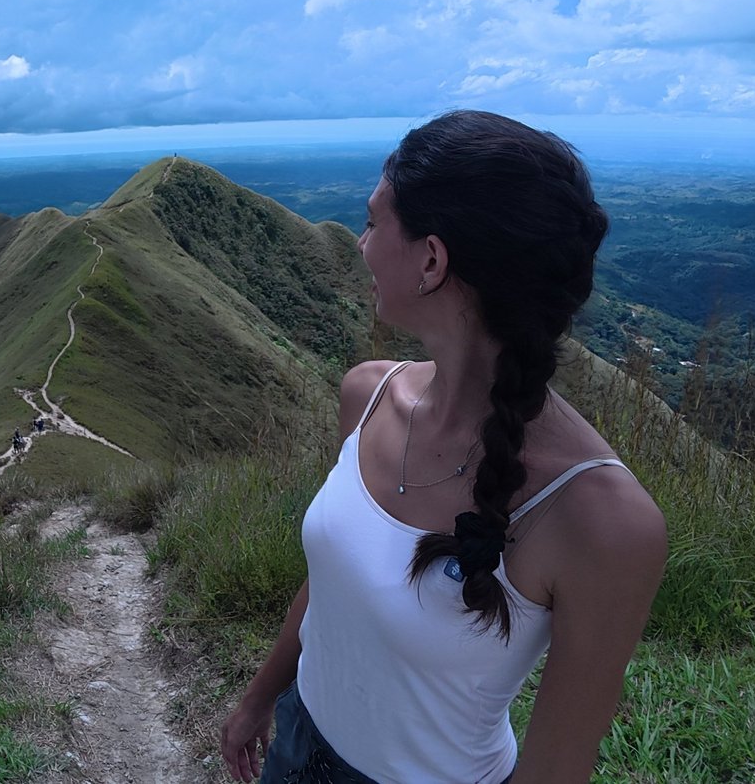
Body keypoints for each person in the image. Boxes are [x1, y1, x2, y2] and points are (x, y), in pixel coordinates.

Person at [218, 111, 667, 784]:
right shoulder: (366, 395)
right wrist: (260, 697)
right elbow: (337, 579)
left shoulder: (602, 519)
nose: (361, 244)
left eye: (373, 223)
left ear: (431, 259)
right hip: (297, 741)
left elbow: (557, 770)